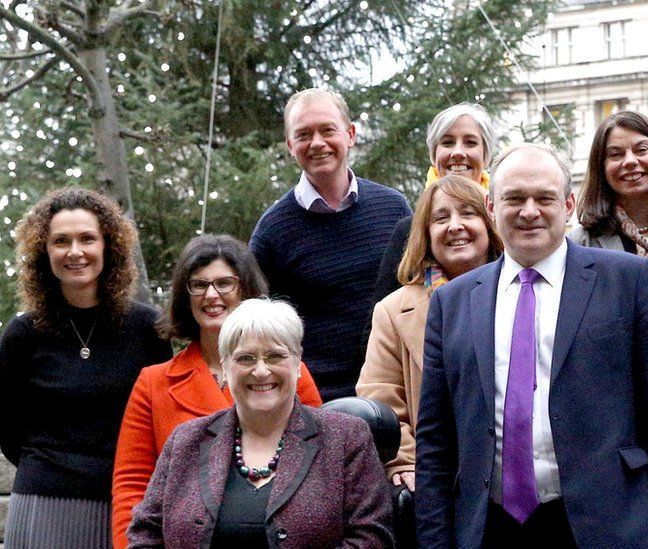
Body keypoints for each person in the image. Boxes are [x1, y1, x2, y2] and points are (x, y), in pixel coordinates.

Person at [415, 143, 648, 548]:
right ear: (491, 207)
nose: (530, 211)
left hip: (604, 526)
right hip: (488, 528)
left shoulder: (629, 281)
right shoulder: (452, 302)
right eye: (514, 199)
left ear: (568, 205)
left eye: (544, 198)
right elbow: (436, 444)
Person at [111, 235, 323, 549]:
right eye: (199, 285)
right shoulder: (154, 383)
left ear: (246, 288)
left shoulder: (289, 372)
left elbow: (322, 462)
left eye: (225, 283)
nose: (211, 295)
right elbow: (132, 485)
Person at [127, 298, 394, 547]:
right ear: (226, 365)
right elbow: (145, 534)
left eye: (275, 356)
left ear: (297, 361)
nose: (261, 370)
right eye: (245, 358)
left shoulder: (346, 438)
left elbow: (371, 537)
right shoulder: (186, 441)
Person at [0, 187, 172, 548]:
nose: (75, 252)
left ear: (108, 247)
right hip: (42, 504)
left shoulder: (147, 328)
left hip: (124, 504)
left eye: (87, 239)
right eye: (61, 241)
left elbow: (161, 417)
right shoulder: (22, 335)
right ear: (43, 251)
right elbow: (8, 428)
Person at [250, 88, 412, 402]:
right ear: (290, 145)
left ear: (350, 135)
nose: (317, 143)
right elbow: (258, 327)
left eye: (328, 130)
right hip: (315, 403)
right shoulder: (273, 231)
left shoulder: (394, 210)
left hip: (394, 394)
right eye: (303, 134)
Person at [357, 175, 503, 492]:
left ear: (490, 223)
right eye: (441, 217)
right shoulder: (393, 311)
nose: (455, 225)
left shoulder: (520, 294)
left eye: (468, 213)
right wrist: (406, 462)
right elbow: (379, 397)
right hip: (436, 479)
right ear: (426, 232)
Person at [371, 103, 496, 306]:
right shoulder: (408, 230)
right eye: (447, 143)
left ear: (486, 155)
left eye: (470, 143)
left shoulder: (504, 221)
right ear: (434, 155)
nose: (458, 152)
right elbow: (380, 320)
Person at [570, 110, 648, 263]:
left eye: (641, 150)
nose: (630, 161)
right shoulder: (580, 244)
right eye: (616, 154)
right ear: (601, 167)